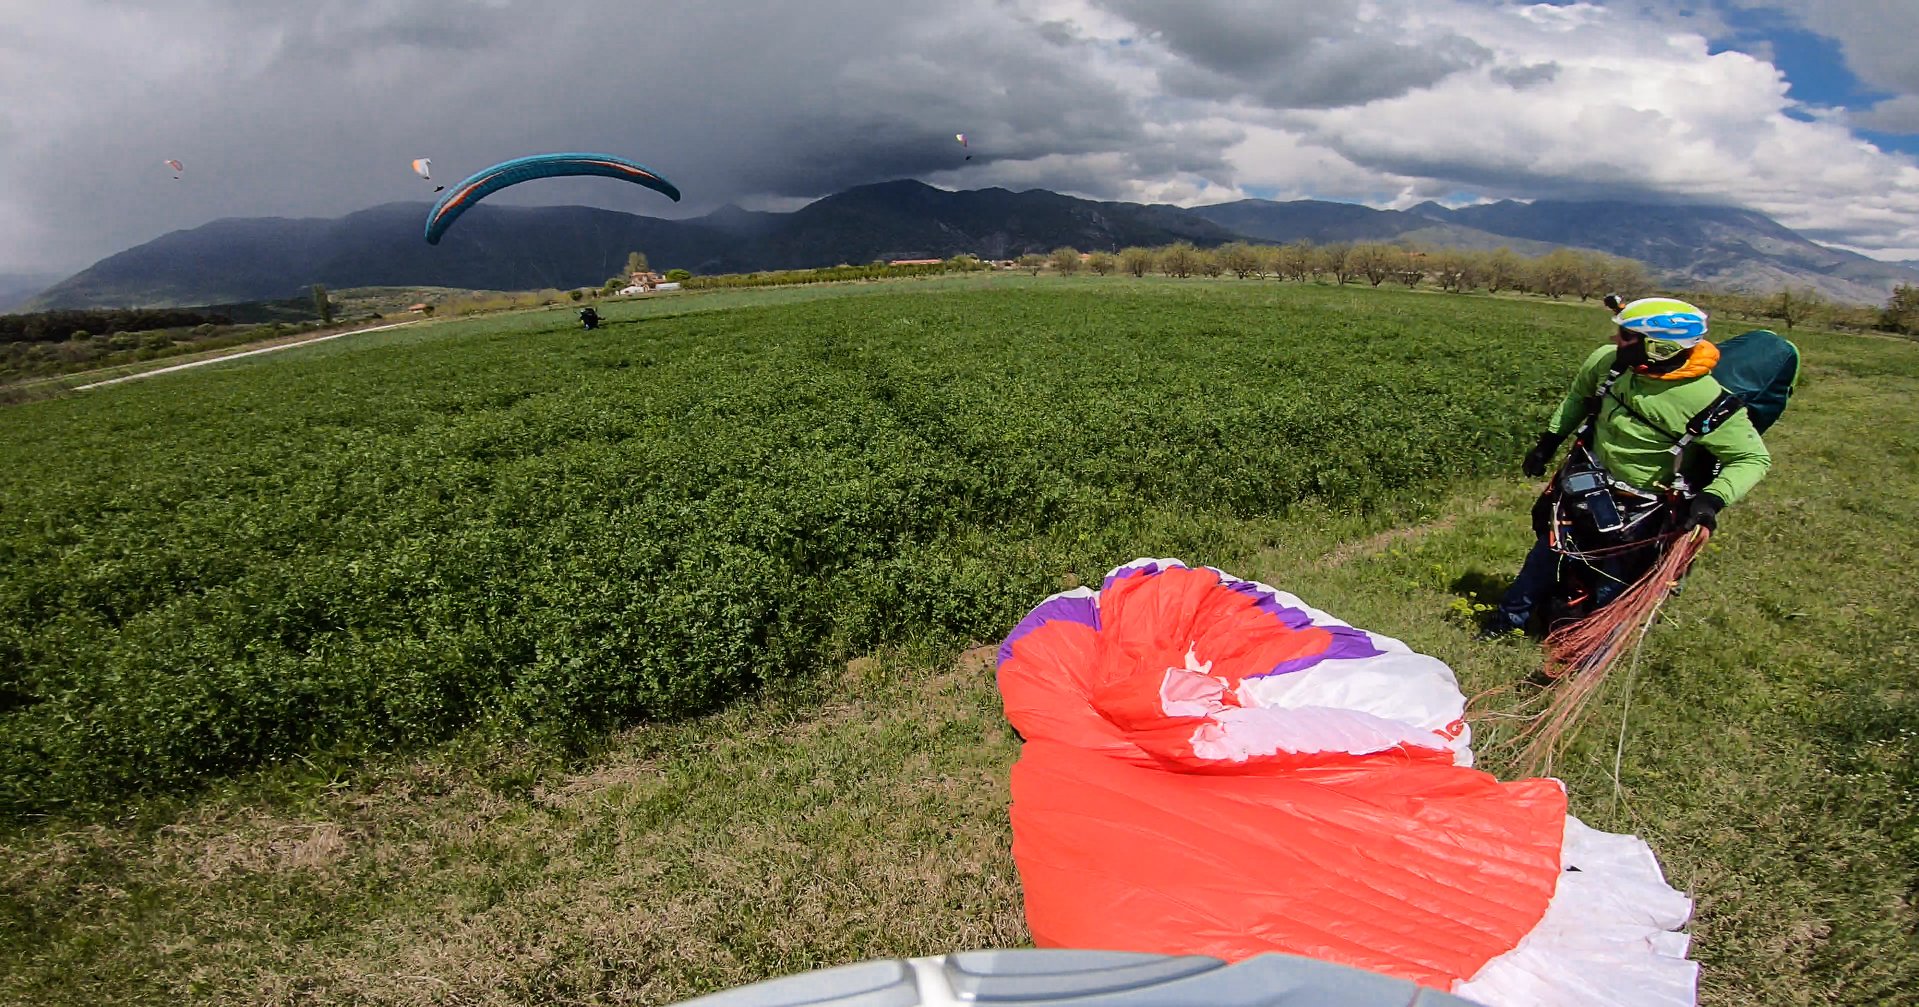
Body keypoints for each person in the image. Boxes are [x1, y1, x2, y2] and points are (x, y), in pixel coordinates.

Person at [1479, 296, 1771, 639]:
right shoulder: (1608, 364)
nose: (1615, 339)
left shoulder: (1708, 402)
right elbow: (1578, 398)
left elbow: (1753, 458)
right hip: (1584, 483)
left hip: (1645, 511)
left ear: (1659, 348)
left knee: (1614, 581)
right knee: (1547, 554)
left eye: (1627, 336)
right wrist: (1548, 443)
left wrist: (1711, 500)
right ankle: (1507, 619)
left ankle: (1585, 639)